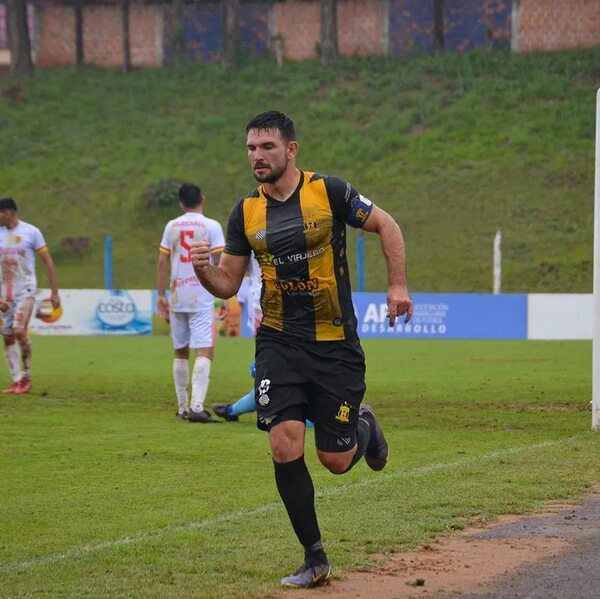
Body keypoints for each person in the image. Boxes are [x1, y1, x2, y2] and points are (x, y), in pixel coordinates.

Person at [191, 111, 413, 587]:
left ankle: (365, 427)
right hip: (278, 341)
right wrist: (203, 272)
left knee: (334, 460)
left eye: (267, 147)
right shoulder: (245, 213)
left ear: (291, 150)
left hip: (334, 344)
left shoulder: (328, 191)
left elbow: (387, 225)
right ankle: (315, 558)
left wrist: (398, 286)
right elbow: (228, 283)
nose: (257, 156)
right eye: (251, 148)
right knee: (283, 441)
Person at [156, 183, 225, 423]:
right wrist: (225, 293)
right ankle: (197, 406)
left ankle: (182, 407)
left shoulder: (171, 225)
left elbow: (163, 260)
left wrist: (161, 294)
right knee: (205, 349)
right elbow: (220, 259)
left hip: (177, 294)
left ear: (181, 203)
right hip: (202, 294)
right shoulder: (211, 226)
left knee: (180, 350)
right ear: (202, 199)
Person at [0, 197, 60, 394]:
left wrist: (54, 292)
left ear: (8, 213)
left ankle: (26, 376)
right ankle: (16, 380)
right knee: (7, 337)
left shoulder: (31, 232)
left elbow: (47, 262)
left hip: (25, 290)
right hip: (4, 294)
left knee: (18, 331)